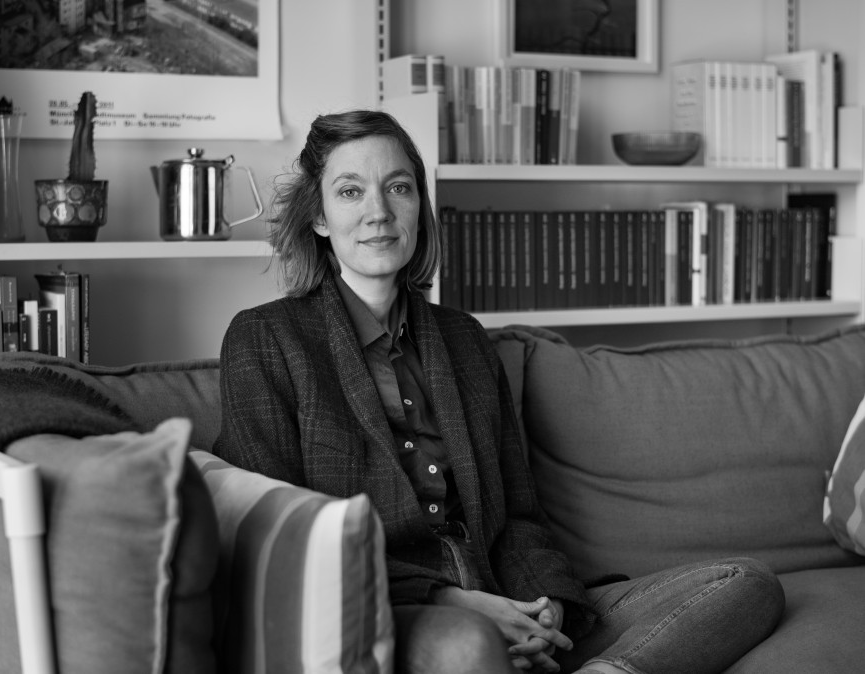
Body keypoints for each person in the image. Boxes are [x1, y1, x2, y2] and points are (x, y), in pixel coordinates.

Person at [213, 109, 785, 674]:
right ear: (318, 217)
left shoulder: (464, 339)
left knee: (745, 586)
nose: (379, 212)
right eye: (350, 191)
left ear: (419, 205)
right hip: (390, 607)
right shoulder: (266, 340)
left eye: (398, 187)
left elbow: (518, 514)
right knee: (467, 647)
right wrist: (449, 600)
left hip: (503, 591)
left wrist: (547, 608)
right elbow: (281, 539)